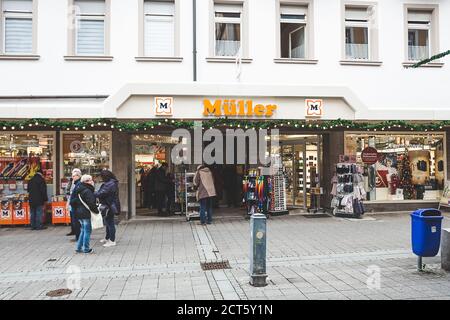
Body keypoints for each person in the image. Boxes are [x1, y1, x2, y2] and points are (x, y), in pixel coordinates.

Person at [71, 175, 98, 254]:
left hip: (79, 213)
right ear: (87, 181)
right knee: (87, 231)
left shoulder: (78, 189)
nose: (92, 182)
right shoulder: (87, 191)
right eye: (90, 180)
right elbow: (91, 203)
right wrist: (96, 211)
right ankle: (86, 249)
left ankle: (79, 248)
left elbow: (73, 201)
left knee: (83, 231)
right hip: (85, 213)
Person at [95, 169, 121, 247]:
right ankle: (107, 238)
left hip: (109, 205)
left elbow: (102, 193)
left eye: (102, 177)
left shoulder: (110, 184)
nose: (101, 178)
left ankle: (112, 240)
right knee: (108, 222)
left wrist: (94, 193)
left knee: (110, 223)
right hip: (109, 204)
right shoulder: (111, 183)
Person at [66, 169, 82, 241]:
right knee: (73, 220)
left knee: (77, 221)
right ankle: (75, 232)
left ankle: (78, 236)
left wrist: (72, 201)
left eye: (74, 176)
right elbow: (68, 190)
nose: (72, 177)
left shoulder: (79, 184)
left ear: (78, 176)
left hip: (76, 206)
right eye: (72, 175)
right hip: (72, 204)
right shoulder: (72, 182)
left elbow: (76, 195)